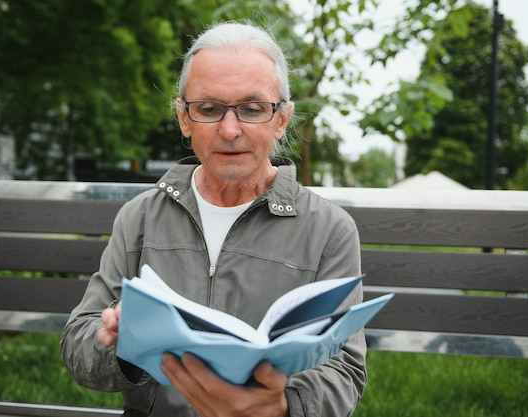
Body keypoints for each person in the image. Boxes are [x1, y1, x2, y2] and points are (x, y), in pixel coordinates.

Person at [60, 21, 367, 417]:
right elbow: (78, 345)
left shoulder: (329, 230)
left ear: (282, 120)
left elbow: (344, 371)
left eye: (252, 109)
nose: (230, 129)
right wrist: (126, 348)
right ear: (184, 119)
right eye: (208, 109)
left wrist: (279, 406)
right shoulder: (139, 217)